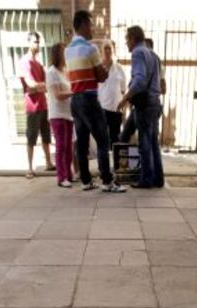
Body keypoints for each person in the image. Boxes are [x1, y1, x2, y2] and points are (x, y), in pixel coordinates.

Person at [65, 10, 126, 192]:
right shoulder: (90, 49)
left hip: (75, 100)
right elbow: (101, 76)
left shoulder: (68, 50)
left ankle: (86, 181)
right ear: (83, 24)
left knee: (82, 142)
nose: (92, 28)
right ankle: (107, 181)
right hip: (90, 98)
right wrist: (102, 72)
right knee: (102, 140)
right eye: (91, 24)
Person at [118, 26, 164, 189]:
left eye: (127, 39)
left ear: (133, 38)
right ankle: (158, 179)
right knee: (153, 143)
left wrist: (125, 97)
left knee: (144, 144)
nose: (126, 43)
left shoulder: (138, 53)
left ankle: (145, 180)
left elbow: (139, 80)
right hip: (154, 103)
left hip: (144, 105)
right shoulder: (153, 54)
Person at [19, 31, 55, 179]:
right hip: (32, 107)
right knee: (31, 137)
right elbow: (30, 85)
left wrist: (38, 86)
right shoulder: (24, 62)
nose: (37, 44)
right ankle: (30, 168)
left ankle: (48, 163)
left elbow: (46, 85)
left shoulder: (39, 64)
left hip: (43, 105)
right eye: (34, 41)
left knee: (46, 136)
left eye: (38, 42)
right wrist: (40, 86)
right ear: (28, 43)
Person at [120, 37, 166, 144]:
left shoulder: (150, 60)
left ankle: (137, 159)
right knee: (130, 135)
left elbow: (161, 88)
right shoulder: (155, 61)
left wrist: (127, 97)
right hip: (144, 104)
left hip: (146, 104)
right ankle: (129, 158)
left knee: (144, 141)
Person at [46, 43, 74, 188]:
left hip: (68, 114)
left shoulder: (64, 71)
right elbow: (58, 95)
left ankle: (68, 174)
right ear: (58, 55)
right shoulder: (51, 72)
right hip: (57, 114)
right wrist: (74, 91)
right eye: (64, 53)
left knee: (69, 148)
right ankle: (61, 177)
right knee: (61, 147)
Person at [98, 41, 127, 147]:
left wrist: (124, 105)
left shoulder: (119, 68)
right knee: (102, 137)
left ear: (112, 51)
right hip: (102, 108)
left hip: (116, 107)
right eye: (105, 48)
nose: (107, 51)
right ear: (101, 51)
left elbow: (123, 89)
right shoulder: (98, 68)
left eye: (109, 48)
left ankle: (115, 161)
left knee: (115, 137)